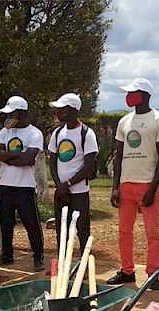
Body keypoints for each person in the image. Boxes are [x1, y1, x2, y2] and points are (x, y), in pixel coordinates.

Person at [108, 78, 159, 290]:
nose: (129, 97)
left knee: (152, 233)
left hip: (147, 185)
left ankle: (153, 273)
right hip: (126, 185)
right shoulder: (124, 122)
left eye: (133, 93)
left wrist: (153, 188)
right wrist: (115, 186)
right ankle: (127, 271)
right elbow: (118, 156)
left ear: (144, 95)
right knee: (124, 231)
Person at [0, 96, 45, 271]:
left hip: (25, 187)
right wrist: (15, 157)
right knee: (6, 223)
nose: (8, 117)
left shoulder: (34, 133)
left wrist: (6, 157)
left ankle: (38, 257)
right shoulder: (4, 132)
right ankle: (7, 255)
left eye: (11, 113)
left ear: (21, 114)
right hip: (5, 185)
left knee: (31, 224)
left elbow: (29, 159)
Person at [48, 92, 97, 261]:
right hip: (62, 193)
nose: (59, 113)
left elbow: (88, 166)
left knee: (83, 230)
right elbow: (52, 161)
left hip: (79, 192)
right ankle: (63, 264)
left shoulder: (87, 134)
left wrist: (68, 183)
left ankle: (84, 265)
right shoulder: (57, 134)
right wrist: (58, 185)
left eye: (63, 109)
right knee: (61, 230)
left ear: (74, 110)